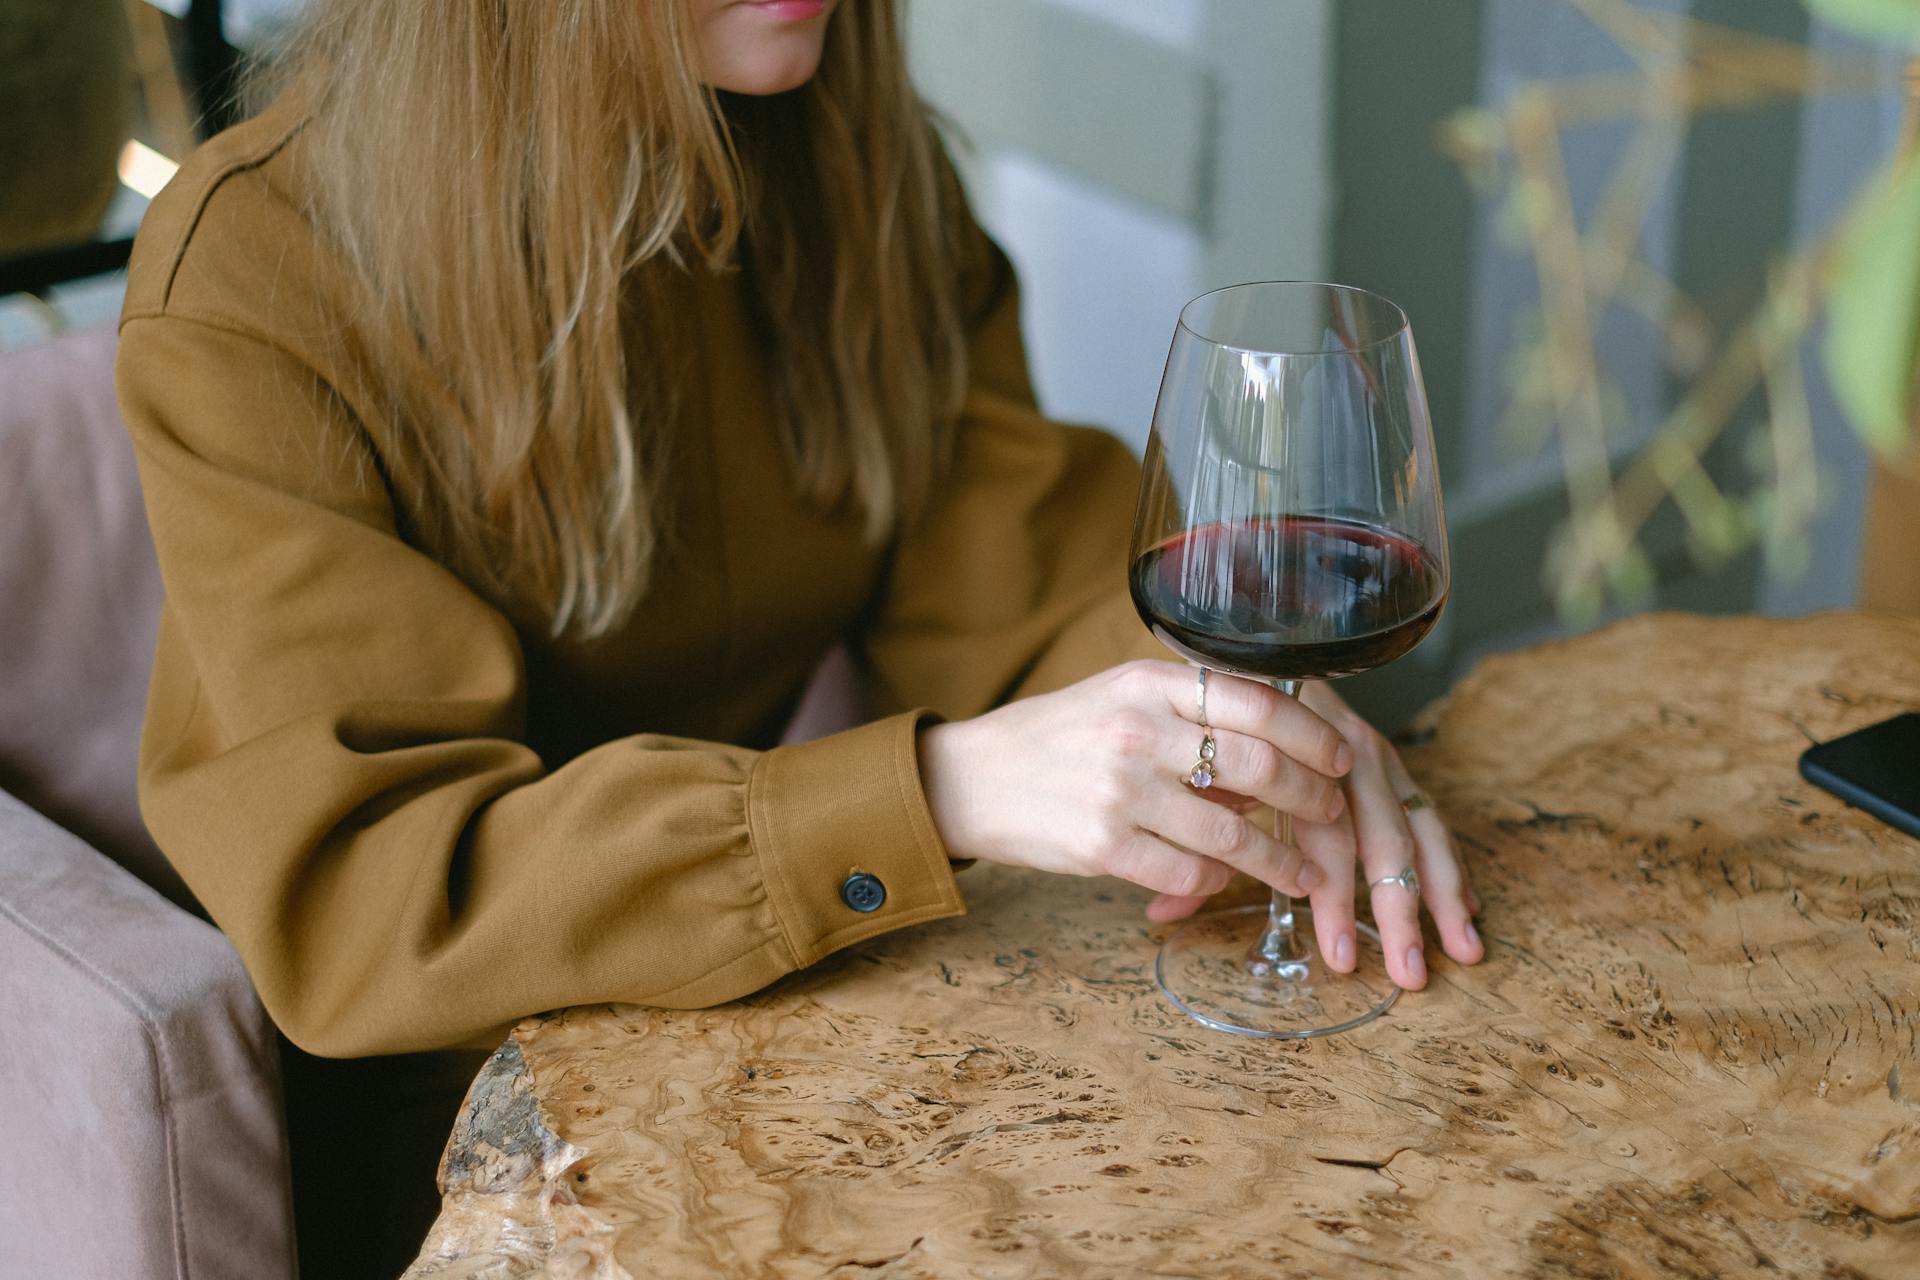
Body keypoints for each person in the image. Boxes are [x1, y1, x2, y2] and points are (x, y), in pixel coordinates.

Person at [118, 0, 1483, 1269]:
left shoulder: (839, 155)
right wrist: (935, 788)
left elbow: (1003, 563)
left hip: (774, 1024)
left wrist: (1224, 724)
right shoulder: (255, 269)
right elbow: (373, 894)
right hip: (460, 1135)